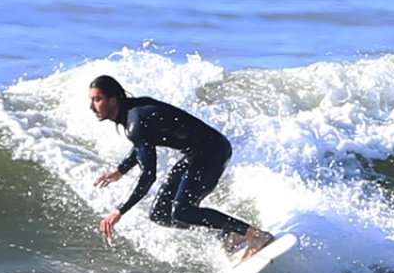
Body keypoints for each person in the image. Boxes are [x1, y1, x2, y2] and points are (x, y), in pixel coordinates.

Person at [88, 74, 274, 257]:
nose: (92, 106)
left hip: (212, 151)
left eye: (97, 100)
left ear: (113, 101)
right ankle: (229, 233)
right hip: (195, 154)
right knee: (160, 213)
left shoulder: (135, 122)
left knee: (183, 210)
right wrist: (121, 170)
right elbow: (141, 144)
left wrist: (119, 211)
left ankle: (254, 235)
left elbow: (148, 175)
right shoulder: (134, 114)